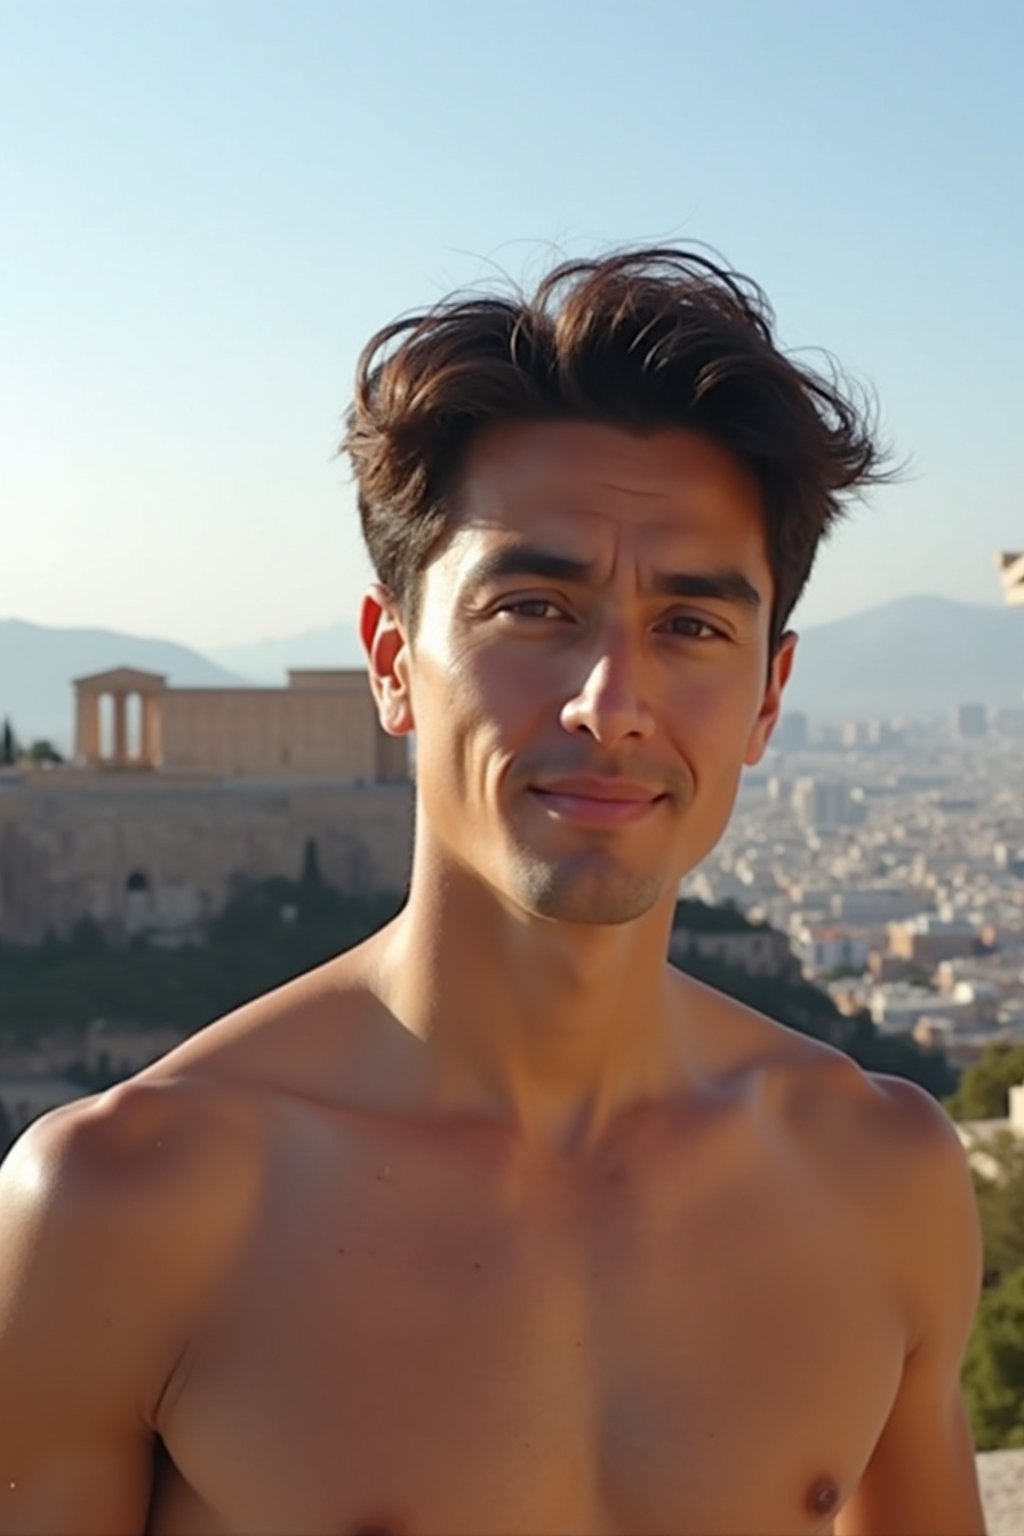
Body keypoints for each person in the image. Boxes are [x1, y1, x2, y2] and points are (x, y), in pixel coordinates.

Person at [0, 247, 985, 1536]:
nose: (611, 705)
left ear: (770, 695)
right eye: (533, 607)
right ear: (393, 663)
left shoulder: (884, 1181)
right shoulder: (122, 1211)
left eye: (691, 627)